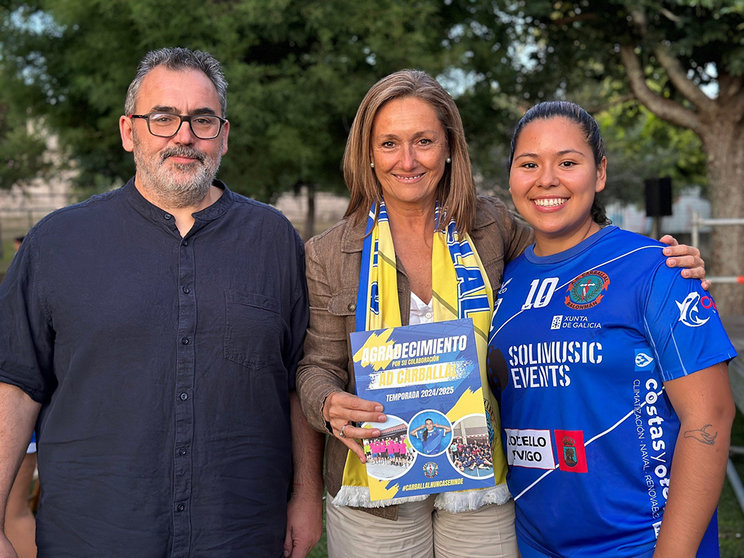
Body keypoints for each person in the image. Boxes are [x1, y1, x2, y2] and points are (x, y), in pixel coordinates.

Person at [295, 69, 707, 558]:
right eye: (389, 143)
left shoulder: (492, 226)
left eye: (424, 141)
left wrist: (650, 265)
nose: (407, 160)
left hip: (482, 479)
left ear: (449, 147)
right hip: (376, 485)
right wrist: (327, 405)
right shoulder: (326, 253)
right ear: (368, 151)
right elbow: (315, 365)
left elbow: (566, 248)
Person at [0, 47, 323, 557]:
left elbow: (296, 382)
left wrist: (307, 500)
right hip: (95, 536)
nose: (184, 135)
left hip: (238, 535)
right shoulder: (57, 243)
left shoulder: (273, 240)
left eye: (202, 119)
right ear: (129, 131)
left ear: (224, 134)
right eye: (163, 118)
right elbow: (15, 386)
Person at [487, 100, 736, 557]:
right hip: (532, 543)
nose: (547, 179)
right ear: (511, 177)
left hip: (643, 544)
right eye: (529, 164)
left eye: (567, 162)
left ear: (599, 173)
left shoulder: (658, 270)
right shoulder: (504, 279)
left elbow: (712, 418)